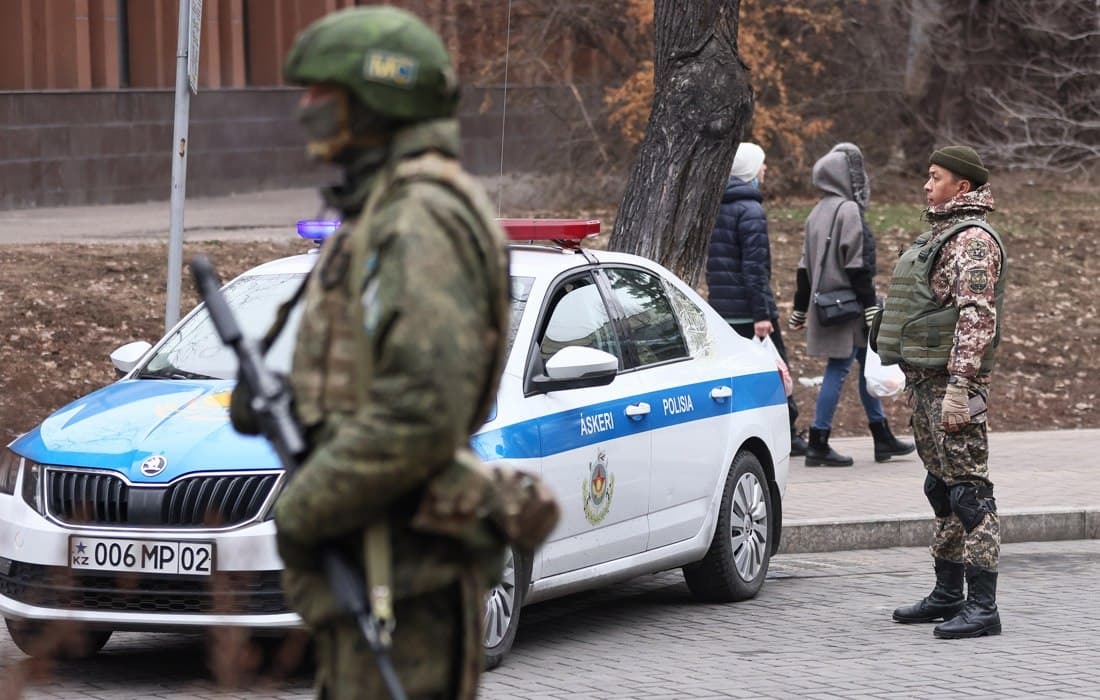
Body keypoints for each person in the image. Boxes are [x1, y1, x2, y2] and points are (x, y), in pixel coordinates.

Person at [232, 6, 511, 697]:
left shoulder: (419, 221)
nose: (306, 111)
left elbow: (423, 404)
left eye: (323, 95)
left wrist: (304, 508)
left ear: (376, 102)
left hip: (402, 573)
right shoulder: (379, 212)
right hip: (370, 558)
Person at [877, 146, 1005, 639]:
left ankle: (984, 606)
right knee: (942, 488)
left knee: (970, 493)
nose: (927, 186)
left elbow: (977, 316)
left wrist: (960, 386)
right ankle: (949, 594)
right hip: (926, 384)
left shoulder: (972, 242)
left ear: (962, 188)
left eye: (935, 178)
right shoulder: (942, 235)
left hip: (952, 386)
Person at [789, 143, 915, 466]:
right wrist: (871, 306)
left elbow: (804, 266)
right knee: (840, 368)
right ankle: (818, 440)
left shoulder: (816, 212)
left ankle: (881, 435)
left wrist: (799, 309)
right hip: (850, 306)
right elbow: (857, 265)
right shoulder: (847, 210)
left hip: (828, 305)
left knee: (864, 363)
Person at [707, 142, 808, 456]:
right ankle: (788, 432)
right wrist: (762, 313)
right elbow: (755, 267)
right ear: (750, 169)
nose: (765, 169)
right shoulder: (750, 209)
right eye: (762, 164)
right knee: (777, 371)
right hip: (750, 312)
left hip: (723, 309)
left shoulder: (715, 206)